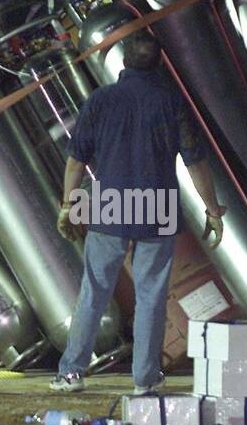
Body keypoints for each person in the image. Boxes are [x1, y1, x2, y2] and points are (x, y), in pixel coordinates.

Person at [50, 34, 225, 394]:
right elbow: (196, 163)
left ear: (124, 63)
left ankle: (71, 373)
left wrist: (69, 204)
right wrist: (212, 209)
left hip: (111, 207)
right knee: (151, 296)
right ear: (159, 64)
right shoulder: (170, 102)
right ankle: (144, 379)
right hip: (157, 208)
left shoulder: (100, 100)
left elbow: (75, 161)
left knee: (95, 292)